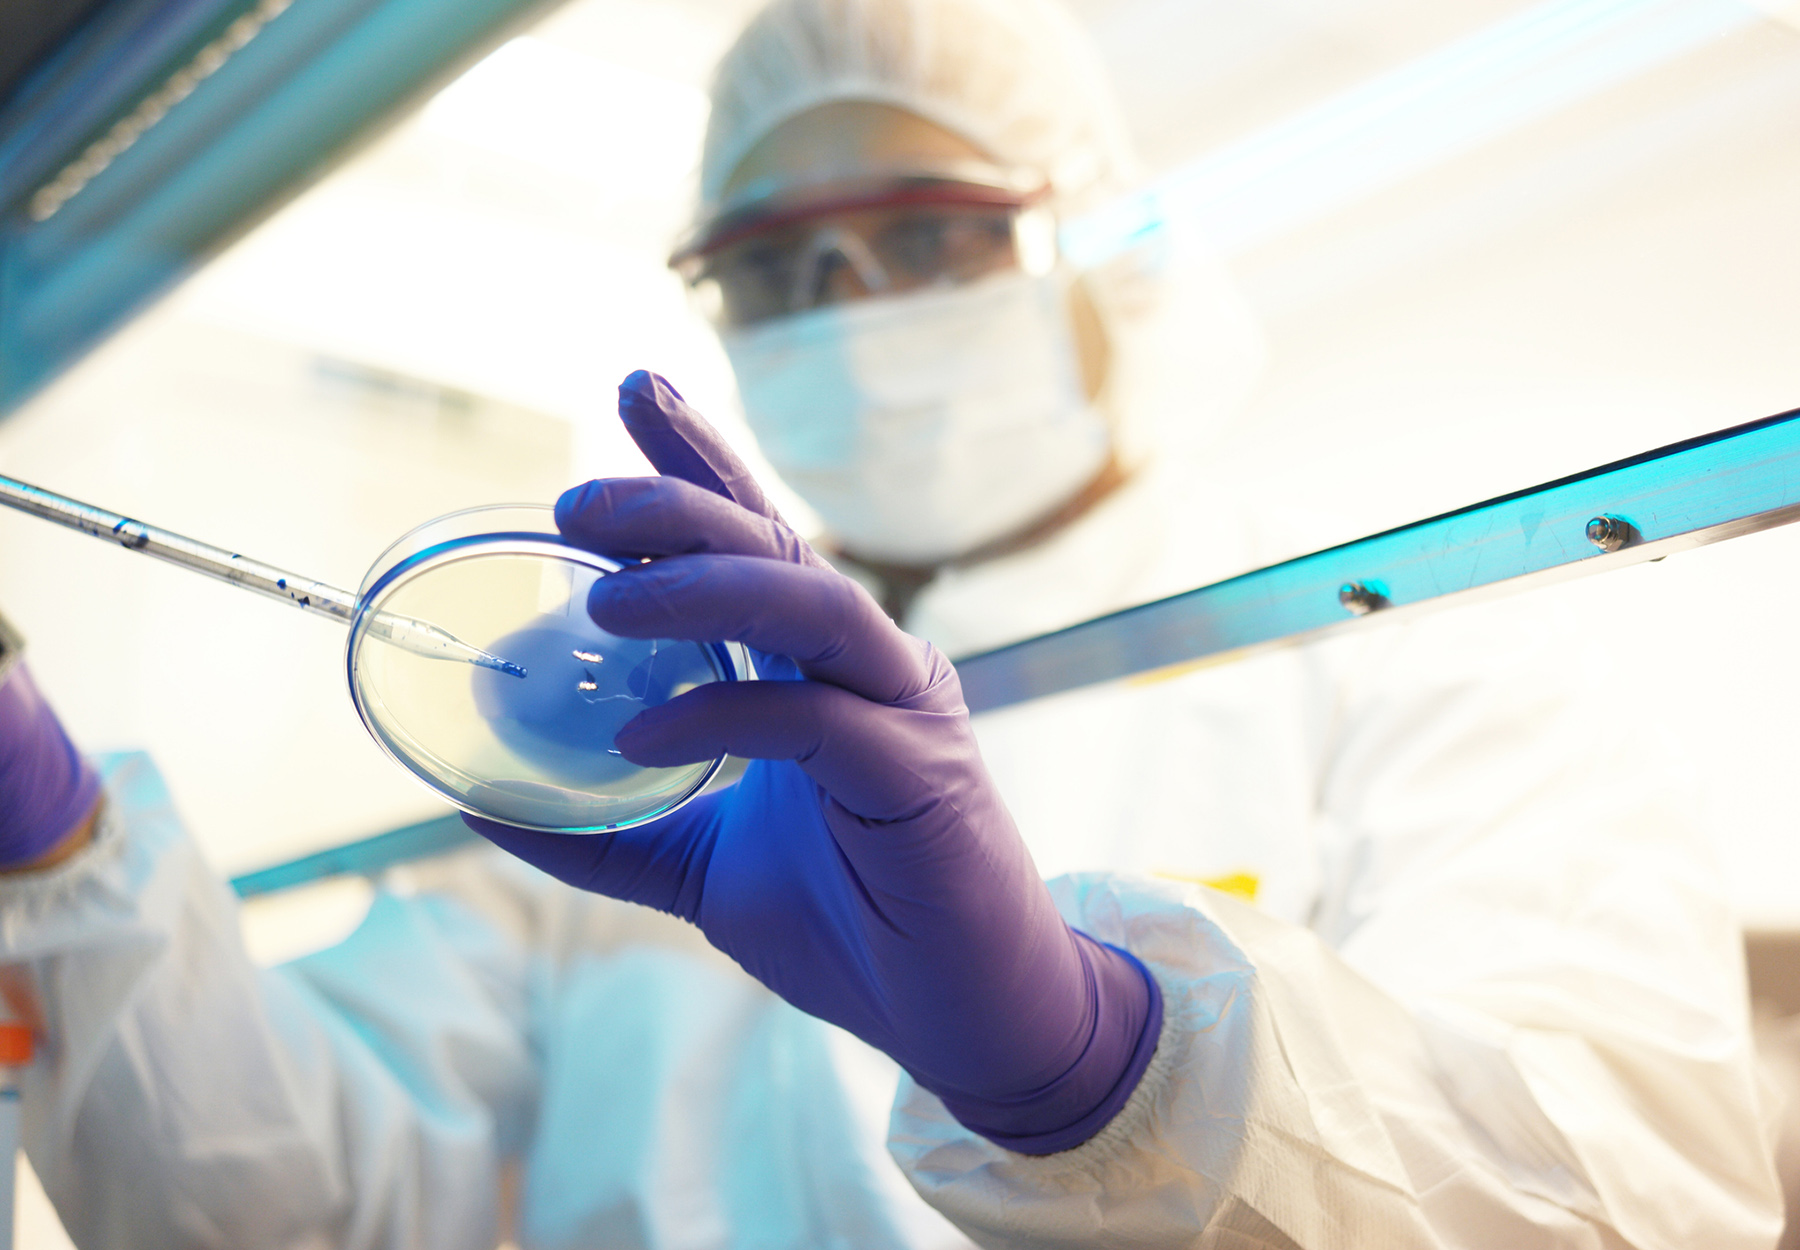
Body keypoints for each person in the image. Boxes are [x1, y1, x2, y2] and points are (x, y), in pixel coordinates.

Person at [0, 0, 1782, 1247]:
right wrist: (56, 835)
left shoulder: (1404, 640)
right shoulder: (644, 708)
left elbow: (1636, 1188)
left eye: (926, 234)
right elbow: (285, 1200)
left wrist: (1108, 1066)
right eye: (774, 265)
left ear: (1104, 255)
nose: (842, 309)